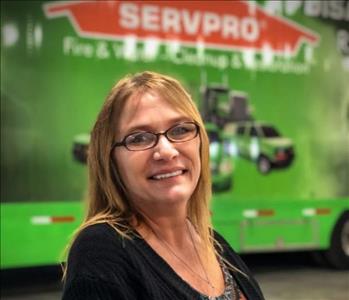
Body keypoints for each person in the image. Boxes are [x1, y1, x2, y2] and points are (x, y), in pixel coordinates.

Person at [62, 71, 264, 300]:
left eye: (180, 130)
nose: (166, 151)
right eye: (138, 138)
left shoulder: (215, 244)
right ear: (110, 160)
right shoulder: (101, 252)